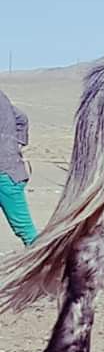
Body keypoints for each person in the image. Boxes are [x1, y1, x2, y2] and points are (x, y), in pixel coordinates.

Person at [0, 89, 37, 246]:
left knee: (25, 229)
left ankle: (46, 259)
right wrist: (18, 144)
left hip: (5, 173)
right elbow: (21, 118)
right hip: (11, 169)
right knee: (25, 229)